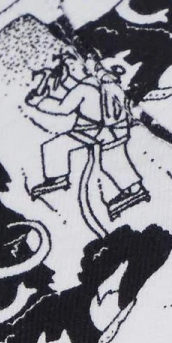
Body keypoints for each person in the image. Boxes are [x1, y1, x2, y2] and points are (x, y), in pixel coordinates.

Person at [26, 50, 150, 219]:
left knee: (112, 162)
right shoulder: (111, 84)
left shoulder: (85, 87)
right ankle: (58, 178)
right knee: (57, 146)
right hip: (113, 130)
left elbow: (63, 108)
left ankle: (135, 190)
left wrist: (39, 102)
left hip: (97, 132)